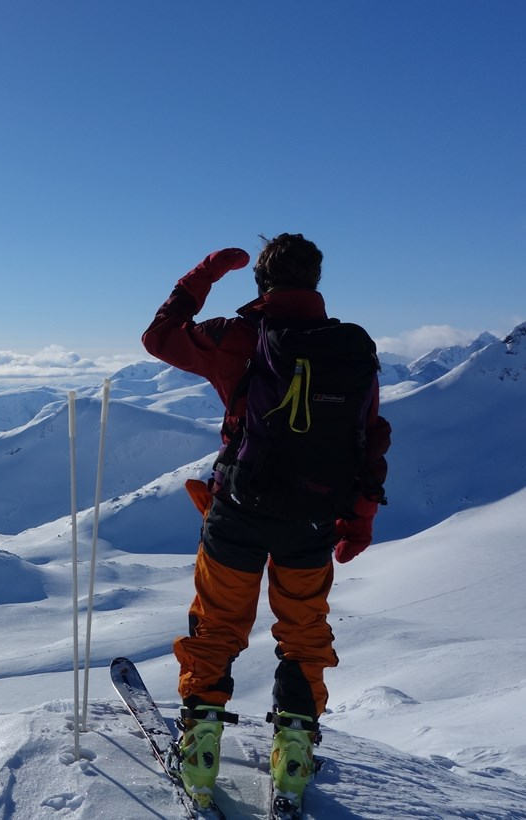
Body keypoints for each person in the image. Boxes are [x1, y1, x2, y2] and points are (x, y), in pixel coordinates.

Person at [141, 234, 391, 809]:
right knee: (304, 632)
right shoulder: (351, 348)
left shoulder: (238, 337)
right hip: (313, 521)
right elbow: (369, 434)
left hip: (238, 512)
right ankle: (295, 754)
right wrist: (361, 516)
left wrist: (201, 276)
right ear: (316, 281)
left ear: (262, 282)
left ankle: (202, 748)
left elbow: (158, 337)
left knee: (218, 626)